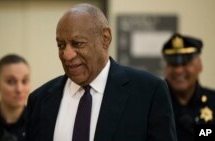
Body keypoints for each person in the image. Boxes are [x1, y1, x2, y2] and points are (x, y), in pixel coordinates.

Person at [26, 3, 177, 141]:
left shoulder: (149, 92)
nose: (67, 54)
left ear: (105, 38)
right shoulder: (40, 100)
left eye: (77, 44)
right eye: (61, 45)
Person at [162, 33, 215, 141]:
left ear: (199, 66)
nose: (178, 71)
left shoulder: (213, 102)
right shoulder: (153, 103)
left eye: (185, 63)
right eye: (173, 64)